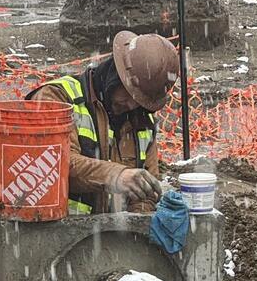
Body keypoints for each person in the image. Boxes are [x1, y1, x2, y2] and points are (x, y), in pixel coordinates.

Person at [28, 31, 179, 215]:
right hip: (54, 231)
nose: (131, 105)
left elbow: (146, 192)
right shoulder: (58, 98)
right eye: (129, 93)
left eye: (140, 100)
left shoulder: (141, 122)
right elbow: (51, 167)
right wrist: (116, 175)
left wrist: (140, 222)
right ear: (115, 73)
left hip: (109, 237)